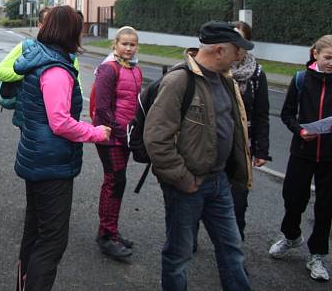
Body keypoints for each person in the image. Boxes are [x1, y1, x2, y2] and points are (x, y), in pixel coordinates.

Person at [143, 21, 253, 291]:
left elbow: (235, 128)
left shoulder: (226, 80)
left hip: (219, 183)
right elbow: (157, 139)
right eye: (237, 51)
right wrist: (183, 179)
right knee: (179, 255)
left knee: (232, 250)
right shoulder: (179, 81)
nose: (241, 56)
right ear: (219, 50)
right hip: (188, 186)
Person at [12, 5, 110, 291]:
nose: (82, 33)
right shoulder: (56, 70)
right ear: (69, 31)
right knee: (52, 241)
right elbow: (60, 123)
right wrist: (96, 132)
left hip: (36, 158)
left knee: (34, 233)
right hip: (51, 164)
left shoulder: (39, 59)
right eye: (79, 28)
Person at [269, 35, 332, 282]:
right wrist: (300, 130)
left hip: (330, 157)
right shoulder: (301, 80)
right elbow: (286, 114)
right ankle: (291, 236)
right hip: (302, 152)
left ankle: (317, 255)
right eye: (328, 58)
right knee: (293, 199)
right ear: (315, 54)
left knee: (326, 208)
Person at [92, 26, 142, 259]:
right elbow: (102, 109)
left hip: (125, 137)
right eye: (125, 44)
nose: (129, 48)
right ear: (115, 44)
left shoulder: (134, 69)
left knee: (118, 183)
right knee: (114, 182)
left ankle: (110, 230)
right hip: (110, 136)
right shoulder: (108, 69)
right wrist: (122, 133)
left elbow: (135, 104)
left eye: (133, 44)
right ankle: (106, 235)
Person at [229, 21, 270, 241]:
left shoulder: (256, 74)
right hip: (214, 144)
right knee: (203, 196)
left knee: (238, 200)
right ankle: (192, 236)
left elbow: (262, 114)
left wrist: (262, 150)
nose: (235, 46)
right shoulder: (216, 69)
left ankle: (235, 246)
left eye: (239, 40)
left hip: (244, 146)